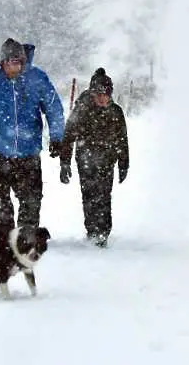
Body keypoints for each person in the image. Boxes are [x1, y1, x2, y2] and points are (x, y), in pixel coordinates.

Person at [0, 38, 65, 228]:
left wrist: (57, 138)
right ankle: (4, 239)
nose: (12, 68)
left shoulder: (37, 78)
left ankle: (26, 239)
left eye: (16, 63)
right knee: (0, 203)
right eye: (8, 63)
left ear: (22, 62)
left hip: (29, 153)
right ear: (1, 63)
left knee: (31, 201)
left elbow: (53, 108)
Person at [59, 67, 129, 248]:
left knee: (104, 196)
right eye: (99, 94)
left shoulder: (116, 112)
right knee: (89, 196)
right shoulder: (82, 110)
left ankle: (103, 233)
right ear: (92, 93)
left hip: (107, 161)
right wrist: (64, 162)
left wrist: (123, 164)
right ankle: (92, 231)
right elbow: (68, 136)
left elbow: (122, 139)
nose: (102, 98)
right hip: (85, 160)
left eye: (106, 94)